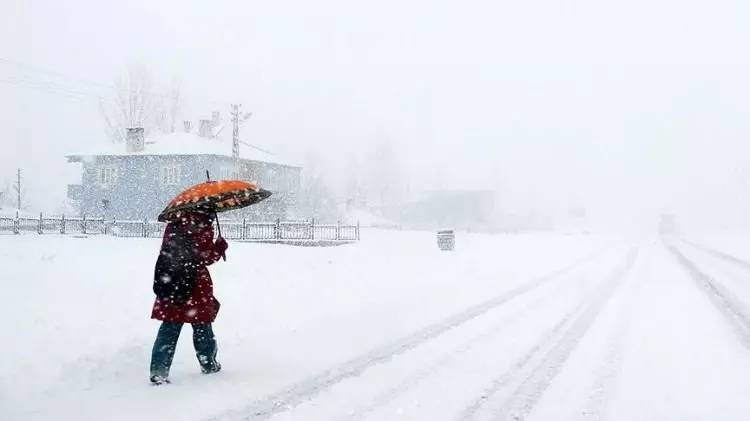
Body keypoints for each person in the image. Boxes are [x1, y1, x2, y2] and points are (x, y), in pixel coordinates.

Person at [149, 210, 228, 385]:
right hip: (194, 284)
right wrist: (219, 248)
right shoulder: (202, 225)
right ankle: (209, 363)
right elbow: (204, 257)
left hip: (172, 280)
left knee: (170, 327)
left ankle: (158, 370)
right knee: (202, 326)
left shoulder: (174, 223)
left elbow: (168, 250)